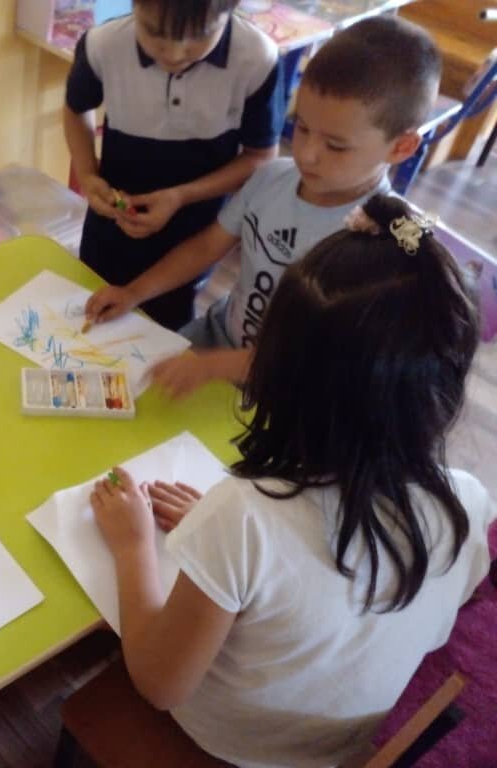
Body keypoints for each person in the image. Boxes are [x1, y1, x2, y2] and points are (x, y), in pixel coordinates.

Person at [90, 194, 496, 767]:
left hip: (223, 746)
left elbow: (159, 684)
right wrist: (228, 555)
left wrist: (133, 546)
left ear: (280, 376)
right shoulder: (469, 500)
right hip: (334, 749)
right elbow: (426, 627)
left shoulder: (245, 516)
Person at [85, 15, 441, 398]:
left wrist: (212, 366)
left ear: (401, 147)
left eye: (335, 146)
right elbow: (207, 246)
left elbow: (317, 359)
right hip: (215, 343)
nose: (306, 154)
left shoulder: (384, 243)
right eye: (302, 127)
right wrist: (134, 293)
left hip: (282, 392)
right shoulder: (273, 178)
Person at [65, 0, 284, 329]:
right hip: (111, 222)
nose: (174, 53)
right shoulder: (102, 45)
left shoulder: (256, 58)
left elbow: (260, 156)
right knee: (91, 303)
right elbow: (75, 109)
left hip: (192, 232)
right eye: (154, 32)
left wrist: (180, 196)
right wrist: (86, 173)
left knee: (167, 320)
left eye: (199, 34)